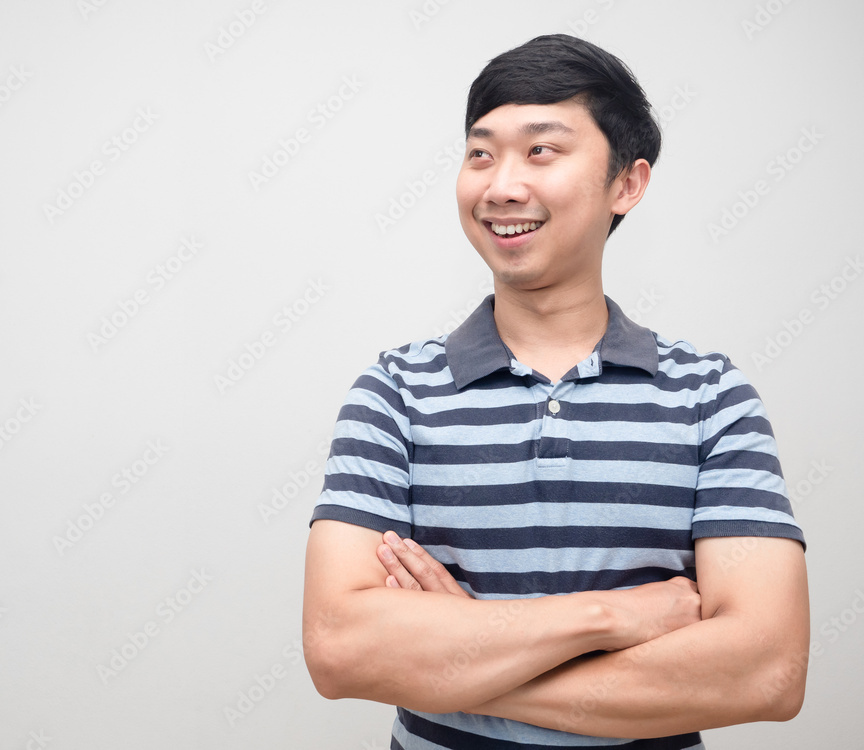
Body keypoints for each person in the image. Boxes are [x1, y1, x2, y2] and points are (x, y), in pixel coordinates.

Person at [302, 33, 808, 749]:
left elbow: (767, 672)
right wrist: (609, 618)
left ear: (626, 184)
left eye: (541, 150)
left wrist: (460, 654)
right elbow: (339, 649)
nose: (501, 186)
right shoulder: (396, 394)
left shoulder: (710, 397)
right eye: (481, 154)